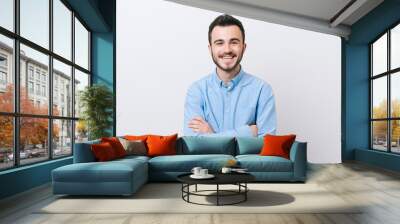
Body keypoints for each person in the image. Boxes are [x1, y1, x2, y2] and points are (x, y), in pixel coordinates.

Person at [183, 14, 277, 137]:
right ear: (210, 48)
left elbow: (266, 144)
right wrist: (248, 132)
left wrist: (210, 135)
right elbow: (193, 142)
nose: (227, 49)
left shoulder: (262, 90)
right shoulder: (196, 91)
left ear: (243, 47)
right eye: (219, 43)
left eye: (234, 42)